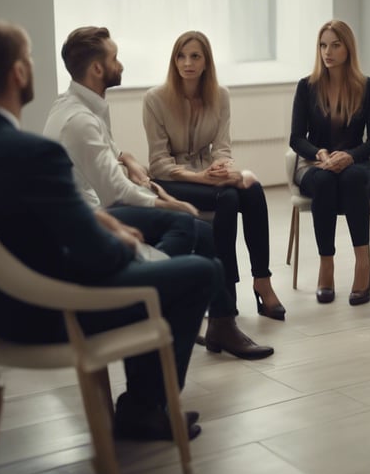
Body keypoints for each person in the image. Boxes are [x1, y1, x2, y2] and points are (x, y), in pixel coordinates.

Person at [0, 20, 217, 441]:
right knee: (199, 271)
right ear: (18, 73)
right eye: (30, 59)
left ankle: (146, 400)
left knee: (175, 255)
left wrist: (99, 221)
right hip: (48, 312)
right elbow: (98, 256)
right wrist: (125, 243)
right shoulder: (31, 153)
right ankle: (145, 407)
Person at [44, 26, 273, 360]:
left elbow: (105, 151)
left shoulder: (79, 104)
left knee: (216, 214)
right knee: (188, 225)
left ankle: (215, 315)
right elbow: (116, 193)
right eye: (114, 58)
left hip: (99, 204)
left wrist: (127, 158)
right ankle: (163, 301)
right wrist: (168, 202)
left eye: (195, 56)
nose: (120, 64)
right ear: (97, 69)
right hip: (93, 214)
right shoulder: (81, 118)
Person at [143, 30, 285, 321]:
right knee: (228, 196)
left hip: (209, 175)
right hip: (172, 180)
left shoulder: (220, 95)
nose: (187, 63)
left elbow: (222, 147)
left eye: (195, 56)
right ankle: (224, 291)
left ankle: (262, 281)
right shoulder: (154, 99)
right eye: (181, 56)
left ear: (206, 61)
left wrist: (221, 168)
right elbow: (157, 164)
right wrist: (202, 178)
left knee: (251, 192)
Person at [289, 20, 370, 305]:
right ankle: (326, 267)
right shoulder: (307, 86)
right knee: (325, 181)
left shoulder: (367, 87)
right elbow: (296, 138)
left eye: (335, 45)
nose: (327, 52)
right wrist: (320, 153)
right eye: (322, 45)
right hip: (317, 165)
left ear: (348, 48)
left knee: (351, 178)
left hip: (359, 165)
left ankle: (362, 265)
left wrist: (351, 155)